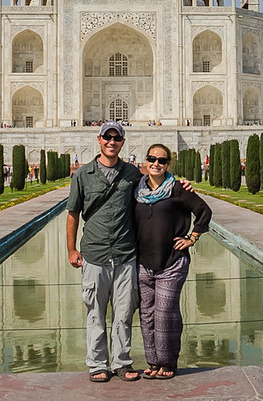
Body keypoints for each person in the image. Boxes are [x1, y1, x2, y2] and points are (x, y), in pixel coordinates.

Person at [65, 122, 192, 384]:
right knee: (96, 312)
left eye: (117, 138)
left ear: (123, 142)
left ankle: (122, 362)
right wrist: (71, 249)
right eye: (107, 137)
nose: (112, 141)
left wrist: (181, 184)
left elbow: (157, 184)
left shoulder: (132, 174)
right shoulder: (83, 174)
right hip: (95, 253)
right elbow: (72, 214)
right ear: (99, 140)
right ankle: (97, 364)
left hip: (124, 254)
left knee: (124, 313)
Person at [135, 143, 212, 380]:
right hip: (144, 263)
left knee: (165, 313)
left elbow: (204, 211)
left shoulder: (178, 188)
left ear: (169, 163)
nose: (156, 163)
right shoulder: (136, 190)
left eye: (161, 160)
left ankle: (168, 361)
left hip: (172, 262)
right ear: (145, 161)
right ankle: (153, 362)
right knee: (146, 315)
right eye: (152, 159)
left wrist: (192, 238)